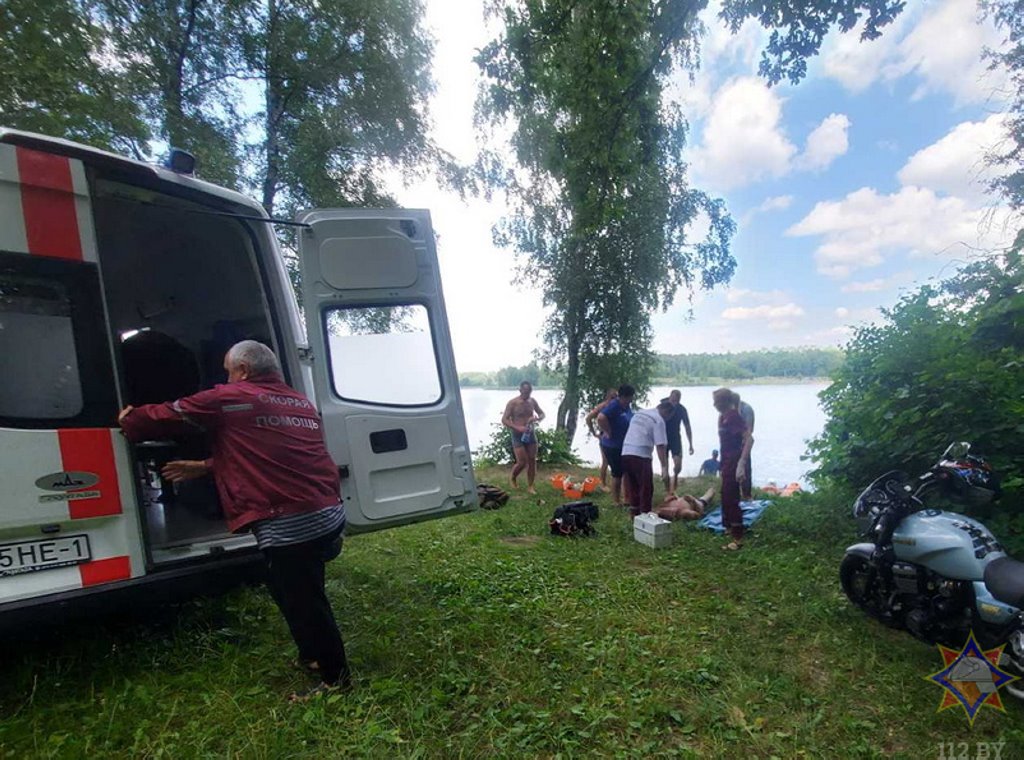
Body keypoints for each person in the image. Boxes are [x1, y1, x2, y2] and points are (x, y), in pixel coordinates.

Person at [118, 340, 350, 699]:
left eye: (228, 371)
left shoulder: (230, 397)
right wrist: (205, 466)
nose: (225, 378)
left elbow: (165, 415)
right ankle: (313, 656)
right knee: (287, 587)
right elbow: (266, 451)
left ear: (241, 371)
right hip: (328, 513)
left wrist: (129, 419)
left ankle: (336, 681)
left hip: (290, 523)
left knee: (306, 602)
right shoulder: (297, 402)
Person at [713, 388, 753, 551]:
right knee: (725, 496)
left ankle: (738, 538)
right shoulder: (723, 417)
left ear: (724, 401)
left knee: (732, 498)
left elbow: (749, 439)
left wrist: (742, 464)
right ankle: (729, 529)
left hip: (735, 462)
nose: (714, 404)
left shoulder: (734, 417)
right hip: (726, 462)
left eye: (716, 401)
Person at [620, 400, 673, 518]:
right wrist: (664, 467)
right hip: (641, 455)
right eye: (668, 417)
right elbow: (660, 446)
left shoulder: (639, 413)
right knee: (645, 487)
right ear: (667, 413)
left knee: (632, 485)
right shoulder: (658, 420)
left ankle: (634, 514)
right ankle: (645, 515)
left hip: (626, 452)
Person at [501, 380, 545, 495]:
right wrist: (517, 427)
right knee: (522, 461)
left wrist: (537, 418)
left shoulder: (532, 401)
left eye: (529, 392)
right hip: (517, 434)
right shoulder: (513, 403)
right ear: (520, 390)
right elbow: (504, 419)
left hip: (530, 433)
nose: (527, 394)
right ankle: (513, 477)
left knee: (532, 460)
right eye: (525, 391)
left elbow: (542, 414)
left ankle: (530, 486)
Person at [596, 384, 635, 507]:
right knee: (617, 473)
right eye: (629, 397)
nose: (631, 400)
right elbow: (601, 417)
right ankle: (616, 501)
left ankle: (627, 498)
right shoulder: (614, 405)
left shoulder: (626, 406)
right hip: (612, 445)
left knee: (626, 471)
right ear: (623, 396)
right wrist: (607, 431)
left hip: (624, 444)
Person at [660, 389, 694, 494]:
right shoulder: (662, 407)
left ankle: (675, 477)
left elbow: (687, 427)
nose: (674, 403)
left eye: (677, 401)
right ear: (669, 398)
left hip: (675, 438)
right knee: (665, 469)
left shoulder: (681, 409)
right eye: (673, 400)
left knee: (678, 465)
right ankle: (668, 491)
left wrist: (691, 444)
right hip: (663, 439)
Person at [585, 388, 618, 491]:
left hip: (617, 436)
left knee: (618, 461)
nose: (614, 399)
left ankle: (616, 482)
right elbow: (588, 418)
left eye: (616, 397)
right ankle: (603, 484)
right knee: (606, 461)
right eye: (612, 397)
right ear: (607, 397)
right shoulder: (602, 406)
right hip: (605, 436)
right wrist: (594, 433)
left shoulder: (618, 407)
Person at [736, 394, 756, 500]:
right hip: (732, 444)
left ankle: (747, 494)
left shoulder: (746, 410)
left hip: (743, 442)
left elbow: (749, 432)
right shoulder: (726, 410)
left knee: (745, 468)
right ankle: (735, 493)